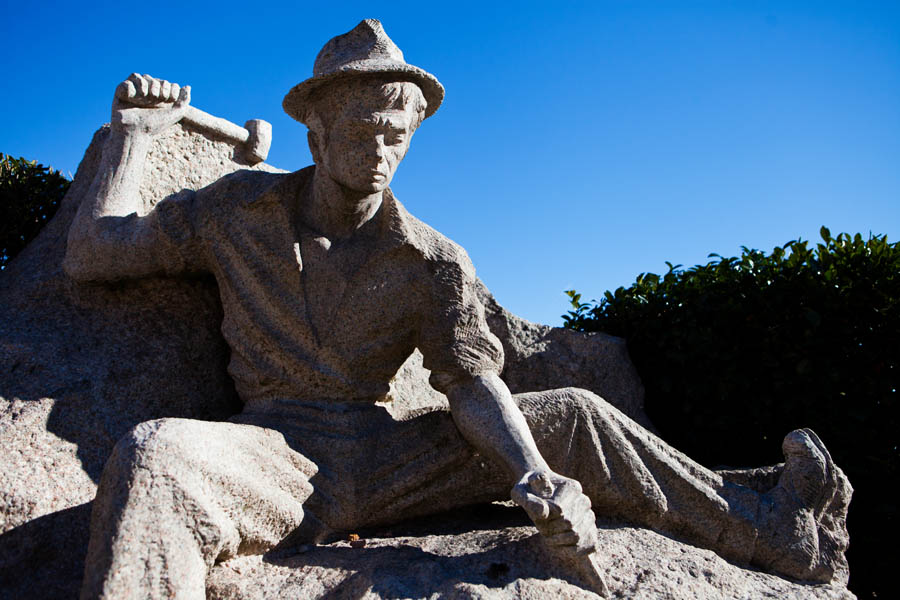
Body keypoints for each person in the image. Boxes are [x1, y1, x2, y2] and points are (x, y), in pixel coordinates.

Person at [65, 19, 850, 600]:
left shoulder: (434, 261)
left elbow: (470, 385)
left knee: (574, 413)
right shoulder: (234, 213)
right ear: (317, 130)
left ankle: (776, 531)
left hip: (387, 460)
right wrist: (130, 138)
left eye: (398, 137)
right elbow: (95, 254)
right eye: (366, 130)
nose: (382, 151)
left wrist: (537, 481)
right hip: (272, 454)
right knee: (157, 453)